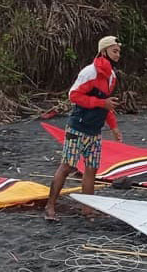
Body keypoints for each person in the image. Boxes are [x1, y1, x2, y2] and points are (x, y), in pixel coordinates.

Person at [44, 36, 124, 221]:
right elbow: (74, 95)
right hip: (77, 129)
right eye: (114, 51)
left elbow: (107, 105)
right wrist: (100, 102)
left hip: (94, 131)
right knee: (67, 166)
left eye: (119, 51)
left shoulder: (111, 76)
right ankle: (50, 206)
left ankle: (87, 209)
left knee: (91, 169)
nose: (118, 54)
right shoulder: (90, 72)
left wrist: (114, 127)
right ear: (103, 52)